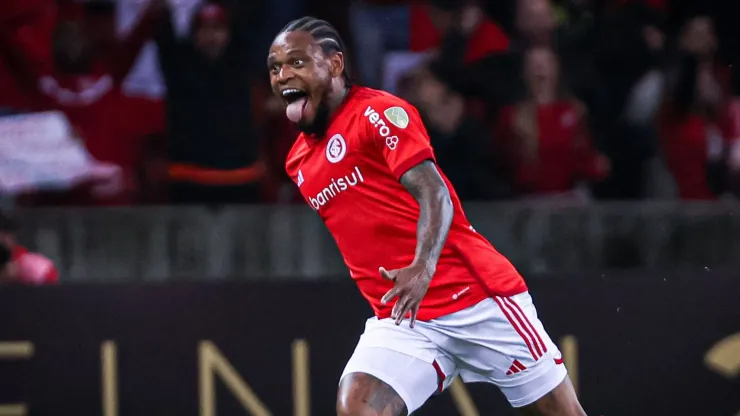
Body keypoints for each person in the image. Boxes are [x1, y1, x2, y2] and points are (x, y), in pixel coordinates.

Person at [268, 17, 586, 416]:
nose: (283, 76)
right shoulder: (298, 159)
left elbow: (434, 191)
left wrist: (423, 265)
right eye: (275, 68)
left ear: (334, 64)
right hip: (404, 317)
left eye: (296, 62)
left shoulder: (377, 113)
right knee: (357, 409)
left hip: (477, 298)